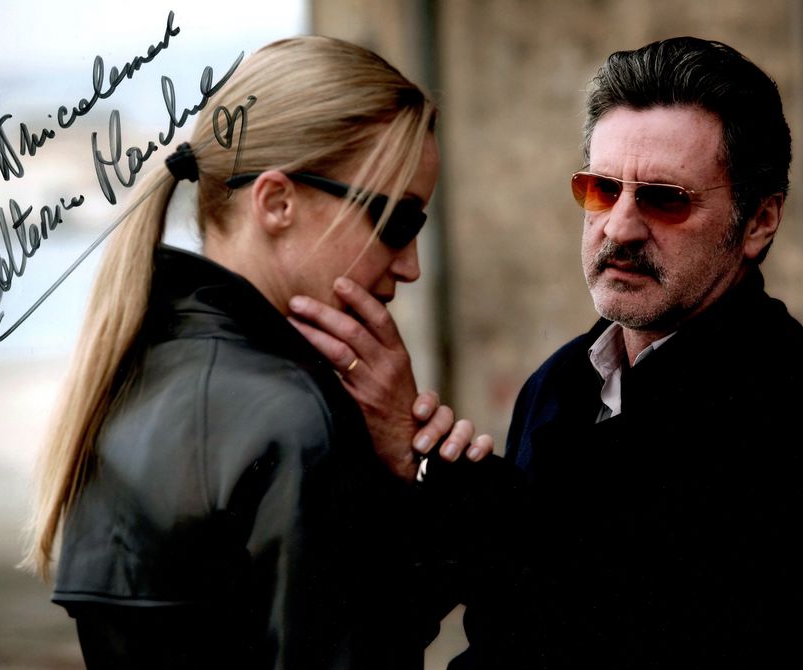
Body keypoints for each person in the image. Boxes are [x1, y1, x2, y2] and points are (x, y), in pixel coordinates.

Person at [297, 36, 803, 669]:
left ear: (760, 222)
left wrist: (427, 461)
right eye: (602, 189)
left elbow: (624, 625)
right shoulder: (561, 382)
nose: (620, 227)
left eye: (666, 198)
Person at [24, 36, 491, 668]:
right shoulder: (294, 417)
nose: (410, 265)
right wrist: (432, 497)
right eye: (398, 221)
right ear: (276, 202)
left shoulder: (128, 374)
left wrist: (419, 479)